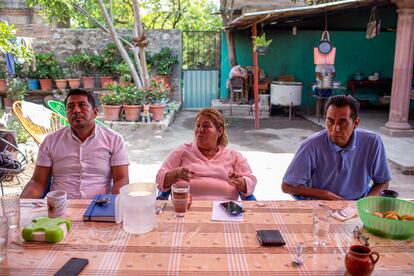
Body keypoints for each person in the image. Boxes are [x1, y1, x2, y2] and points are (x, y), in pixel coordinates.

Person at [21, 89, 129, 199]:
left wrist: (117, 205)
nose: (76, 110)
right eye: (70, 107)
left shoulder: (114, 140)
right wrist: (21, 206)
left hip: (98, 207)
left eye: (82, 105)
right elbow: (38, 182)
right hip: (60, 208)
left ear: (95, 113)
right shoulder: (51, 141)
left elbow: (121, 180)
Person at [282, 95, 391, 200]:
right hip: (321, 206)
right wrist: (324, 194)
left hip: (357, 206)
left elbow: (382, 182)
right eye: (330, 121)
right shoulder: (311, 146)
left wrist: (364, 204)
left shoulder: (373, 143)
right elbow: (287, 186)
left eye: (342, 122)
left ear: (356, 123)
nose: (335, 129)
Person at [156, 108, 256, 200]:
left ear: (219, 131)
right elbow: (159, 178)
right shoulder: (182, 151)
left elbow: (251, 181)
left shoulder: (234, 156)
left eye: (206, 126)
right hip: (184, 210)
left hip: (224, 212)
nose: (200, 130)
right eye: (198, 125)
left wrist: (241, 182)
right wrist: (176, 174)